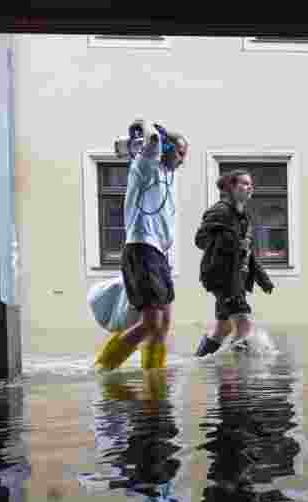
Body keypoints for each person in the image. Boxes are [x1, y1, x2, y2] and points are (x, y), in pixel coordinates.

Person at [94, 119, 189, 372]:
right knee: (151, 322)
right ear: (166, 149)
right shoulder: (145, 166)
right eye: (180, 153)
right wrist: (145, 124)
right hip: (142, 249)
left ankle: (153, 374)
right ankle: (104, 368)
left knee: (165, 321)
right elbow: (153, 140)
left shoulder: (167, 177)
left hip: (158, 254)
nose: (182, 160)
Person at [193, 169, 274, 357]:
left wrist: (262, 279)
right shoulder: (219, 211)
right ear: (231, 187)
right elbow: (200, 239)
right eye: (244, 183)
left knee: (224, 327)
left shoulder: (243, 216)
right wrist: (228, 242)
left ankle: (199, 362)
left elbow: (247, 251)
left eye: (250, 184)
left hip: (236, 277)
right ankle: (239, 377)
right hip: (223, 277)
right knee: (244, 323)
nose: (250, 187)